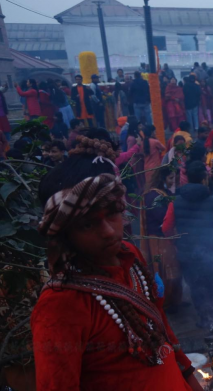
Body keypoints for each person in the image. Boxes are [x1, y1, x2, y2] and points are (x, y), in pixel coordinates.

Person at [34, 133, 202, 391]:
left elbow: (163, 333)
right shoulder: (60, 304)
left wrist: (191, 379)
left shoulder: (130, 255)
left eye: (113, 214)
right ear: (64, 233)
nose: (110, 231)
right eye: (88, 223)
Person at [162, 161, 213, 329]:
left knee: (195, 286)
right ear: (203, 180)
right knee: (211, 284)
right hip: (209, 251)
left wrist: (176, 241)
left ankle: (204, 318)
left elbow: (166, 228)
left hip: (186, 252)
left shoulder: (175, 201)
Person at [141, 166, 183, 308]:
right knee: (165, 271)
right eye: (170, 178)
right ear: (162, 178)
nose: (173, 181)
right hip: (159, 239)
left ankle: (173, 301)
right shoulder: (154, 196)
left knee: (171, 270)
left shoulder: (160, 194)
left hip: (164, 237)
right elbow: (162, 218)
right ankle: (166, 302)